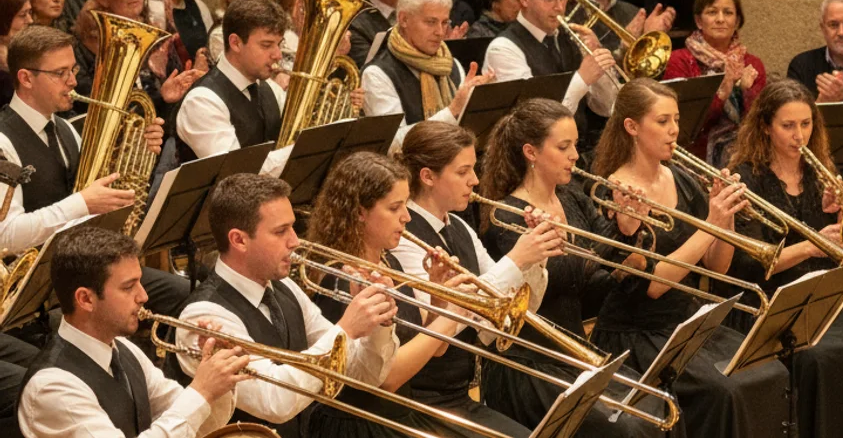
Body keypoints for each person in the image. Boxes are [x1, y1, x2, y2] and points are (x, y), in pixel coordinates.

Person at [588, 78, 789, 438]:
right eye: (662, 121)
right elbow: (652, 286)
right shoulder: (612, 193)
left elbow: (717, 265)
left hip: (686, 322)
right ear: (632, 127)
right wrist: (710, 225)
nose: (674, 131)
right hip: (639, 335)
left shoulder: (680, 178)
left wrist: (724, 218)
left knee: (771, 371)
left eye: (677, 120)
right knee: (725, 390)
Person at [726, 79, 843, 438]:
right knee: (818, 360)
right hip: (775, 305)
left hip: (824, 297)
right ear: (765, 127)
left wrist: (839, 220)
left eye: (806, 125)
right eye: (788, 126)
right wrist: (811, 244)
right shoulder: (748, 180)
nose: (799, 136)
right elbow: (750, 265)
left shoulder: (821, 173)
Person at [478, 98, 660, 438]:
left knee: (657, 403)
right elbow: (569, 275)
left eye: (575, 144)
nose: (576, 155)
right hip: (528, 365)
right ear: (531, 152)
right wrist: (616, 238)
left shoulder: (573, 198)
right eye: (564, 147)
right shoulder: (507, 215)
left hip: (574, 350)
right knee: (630, 428)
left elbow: (593, 285)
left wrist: (629, 234)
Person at [169, 173, 400, 438]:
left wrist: (378, 322)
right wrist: (346, 329)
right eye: (280, 231)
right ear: (239, 240)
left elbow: (363, 374)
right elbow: (274, 402)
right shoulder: (203, 316)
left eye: (292, 227)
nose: (295, 241)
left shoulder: (284, 287)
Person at [392, 121, 561, 436]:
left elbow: (507, 313)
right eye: (463, 172)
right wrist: (516, 258)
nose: (475, 180)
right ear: (427, 176)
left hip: (459, 391)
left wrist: (535, 258)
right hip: (421, 400)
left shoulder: (458, 226)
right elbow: (451, 323)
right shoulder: (402, 238)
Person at [0, 25, 183, 311]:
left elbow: (106, 190)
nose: (73, 81)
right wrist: (81, 203)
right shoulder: (3, 141)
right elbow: (6, 236)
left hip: (89, 269)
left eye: (73, 70)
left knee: (185, 292)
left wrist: (140, 149)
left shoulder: (65, 129)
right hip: (38, 287)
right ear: (26, 78)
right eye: (61, 73)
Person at [306, 151, 484, 438]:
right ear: (360, 212)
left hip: (399, 415)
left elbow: (436, 349)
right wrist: (452, 315)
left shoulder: (390, 262)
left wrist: (439, 300)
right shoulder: (341, 278)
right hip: (358, 426)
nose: (407, 217)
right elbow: (386, 378)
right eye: (394, 208)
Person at [18, 227, 246, 438]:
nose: (144, 296)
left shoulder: (124, 348)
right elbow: (191, 407)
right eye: (128, 287)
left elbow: (201, 424)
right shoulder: (51, 388)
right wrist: (201, 391)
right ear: (86, 299)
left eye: (140, 282)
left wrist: (215, 373)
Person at [481, 0, 619, 129]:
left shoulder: (570, 37)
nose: (559, 7)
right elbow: (534, 124)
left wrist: (599, 64)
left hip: (581, 147)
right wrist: (581, 79)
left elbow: (607, 108)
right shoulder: (503, 49)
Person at [362, 0, 493, 150]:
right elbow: (392, 144)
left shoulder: (451, 64)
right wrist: (453, 110)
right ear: (404, 19)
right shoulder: (377, 74)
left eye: (444, 22)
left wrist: (482, 103)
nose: (440, 32)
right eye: (431, 22)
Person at [174, 0, 292, 176]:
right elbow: (237, 172)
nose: (277, 55)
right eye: (266, 45)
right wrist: (301, 149)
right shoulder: (202, 101)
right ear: (235, 42)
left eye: (279, 44)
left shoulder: (269, 88)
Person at [77, 0, 202, 118]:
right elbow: (88, 105)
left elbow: (173, 95)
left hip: (161, 132)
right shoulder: (86, 46)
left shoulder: (157, 34)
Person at [663, 0, 764, 166]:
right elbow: (681, 124)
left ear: (738, 21)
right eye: (712, 12)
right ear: (699, 21)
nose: (720, 19)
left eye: (728, 13)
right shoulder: (679, 61)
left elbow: (760, 124)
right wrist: (722, 95)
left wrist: (744, 92)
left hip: (743, 159)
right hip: (692, 159)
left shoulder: (752, 64)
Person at [0, 0, 33, 106]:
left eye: (30, 13)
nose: (30, 20)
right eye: (22, 15)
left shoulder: (20, 52)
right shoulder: (3, 77)